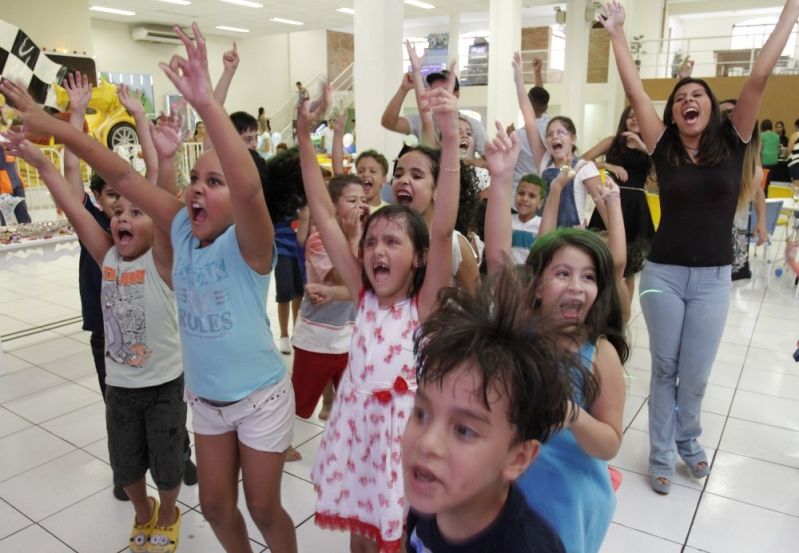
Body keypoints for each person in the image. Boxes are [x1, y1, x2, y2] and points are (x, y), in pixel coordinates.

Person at [2, 24, 299, 552]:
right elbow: (123, 174)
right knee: (211, 504)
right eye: (196, 180)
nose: (198, 190)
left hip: (259, 399)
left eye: (215, 181)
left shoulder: (252, 246)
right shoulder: (182, 226)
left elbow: (250, 186)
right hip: (207, 403)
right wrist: (55, 127)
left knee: (261, 505)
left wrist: (207, 102)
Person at [599, 0, 799, 494]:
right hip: (663, 273)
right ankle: (664, 454)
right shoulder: (663, 146)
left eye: (698, 95)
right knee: (664, 368)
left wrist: (789, 17)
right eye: (681, 95)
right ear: (673, 111)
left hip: (713, 278)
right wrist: (619, 33)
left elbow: (758, 75)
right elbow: (634, 89)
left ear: (711, 107)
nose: (689, 99)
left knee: (696, 374)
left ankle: (690, 441)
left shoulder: (735, 141)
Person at [2, 105, 188, 553]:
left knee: (167, 464)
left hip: (165, 384)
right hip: (120, 387)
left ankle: (167, 511)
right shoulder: (106, 255)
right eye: (118, 211)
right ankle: (141, 512)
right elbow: (71, 205)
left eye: (137, 212)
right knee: (125, 467)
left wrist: (165, 161)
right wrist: (41, 160)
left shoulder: (162, 261)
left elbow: (166, 210)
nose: (123, 218)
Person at [298, 77, 460, 552]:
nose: (377, 251)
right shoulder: (363, 295)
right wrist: (306, 138)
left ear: (419, 257)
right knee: (359, 534)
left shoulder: (423, 305)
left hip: (399, 442)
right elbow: (325, 215)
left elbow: (445, 226)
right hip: (354, 434)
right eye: (371, 242)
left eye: (393, 242)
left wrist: (449, 141)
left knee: (398, 534)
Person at [484, 121, 627, 553]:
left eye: (587, 277)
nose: (576, 287)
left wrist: (572, 415)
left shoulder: (599, 354)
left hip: (567, 501)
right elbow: (496, 257)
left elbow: (610, 443)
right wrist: (501, 180)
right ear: (538, 285)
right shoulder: (521, 330)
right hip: (510, 487)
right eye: (562, 274)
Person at [402, 269, 570, 553]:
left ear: (518, 458)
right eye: (421, 414)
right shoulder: (428, 502)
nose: (427, 443)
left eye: (464, 430)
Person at [290, 174, 365, 445]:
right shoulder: (318, 240)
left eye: (363, 200)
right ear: (334, 207)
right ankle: (280, 442)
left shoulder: (365, 240)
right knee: (298, 400)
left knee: (351, 401)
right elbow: (342, 277)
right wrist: (355, 239)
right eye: (352, 200)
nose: (361, 207)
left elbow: (365, 288)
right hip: (316, 340)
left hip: (349, 338)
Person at [512, 53, 607, 230]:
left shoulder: (584, 167)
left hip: (572, 237)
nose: (554, 136)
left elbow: (603, 207)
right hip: (544, 235)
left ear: (573, 137)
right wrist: (518, 78)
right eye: (550, 134)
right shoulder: (545, 162)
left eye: (561, 133)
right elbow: (529, 117)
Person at [582, 105, 656, 303]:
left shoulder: (649, 146)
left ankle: (623, 315)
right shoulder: (612, 142)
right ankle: (598, 305)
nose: (634, 120)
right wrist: (606, 165)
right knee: (601, 256)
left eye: (638, 117)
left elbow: (660, 174)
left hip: (636, 207)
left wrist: (643, 147)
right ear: (624, 119)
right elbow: (581, 161)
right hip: (611, 202)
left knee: (629, 267)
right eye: (630, 116)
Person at [381, 64, 487, 157]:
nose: (438, 95)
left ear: (456, 95)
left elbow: (489, 162)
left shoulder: (472, 126)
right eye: (434, 91)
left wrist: (463, 165)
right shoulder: (422, 121)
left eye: (444, 91)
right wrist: (403, 88)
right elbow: (389, 122)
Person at [511, 56, 551, 193]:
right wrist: (538, 73)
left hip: (519, 191)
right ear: (546, 107)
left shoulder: (520, 135)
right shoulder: (551, 128)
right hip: (542, 190)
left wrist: (508, 136)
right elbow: (540, 96)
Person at [511, 174, 544, 264]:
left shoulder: (542, 226)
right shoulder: (507, 221)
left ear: (540, 203)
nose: (525, 199)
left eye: (532, 196)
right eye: (521, 193)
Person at [760, 119, 780, 187]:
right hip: (774, 161)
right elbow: (778, 150)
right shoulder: (777, 136)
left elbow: (760, 148)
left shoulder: (761, 135)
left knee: (762, 181)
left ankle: (763, 193)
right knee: (768, 180)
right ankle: (767, 191)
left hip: (764, 160)